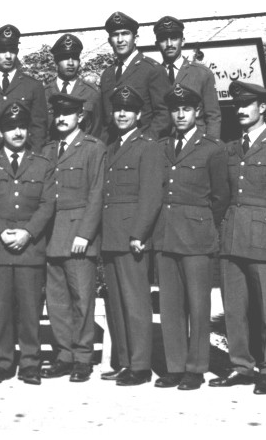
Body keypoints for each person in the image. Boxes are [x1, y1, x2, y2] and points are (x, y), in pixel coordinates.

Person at [209, 80, 266, 394]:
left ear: (263, 107)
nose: (241, 110)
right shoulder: (231, 148)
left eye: (247, 104)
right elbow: (222, 195)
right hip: (232, 237)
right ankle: (241, 366)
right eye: (238, 105)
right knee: (235, 308)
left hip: (264, 238)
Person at [0, 102, 56, 385]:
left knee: (31, 310)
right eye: (11, 128)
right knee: (1, 310)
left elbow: (47, 204)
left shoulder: (42, 164)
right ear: (0, 131)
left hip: (30, 248)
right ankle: (2, 362)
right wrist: (0, 232)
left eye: (22, 127)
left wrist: (28, 233)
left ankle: (30, 363)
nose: (17, 133)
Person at [152, 84, 229, 391]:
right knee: (170, 306)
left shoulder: (212, 148)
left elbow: (221, 196)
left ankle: (195, 367)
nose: (180, 114)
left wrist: (202, 223)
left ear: (197, 112)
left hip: (197, 236)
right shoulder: (161, 146)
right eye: (175, 109)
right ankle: (174, 366)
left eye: (186, 109)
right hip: (166, 234)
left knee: (198, 305)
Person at [100, 85, 163, 386]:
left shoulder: (147, 146)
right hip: (110, 235)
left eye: (128, 110)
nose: (122, 114)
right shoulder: (111, 146)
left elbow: (151, 195)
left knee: (136, 303)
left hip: (131, 238)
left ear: (139, 115)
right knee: (117, 304)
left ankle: (140, 366)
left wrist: (139, 233)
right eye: (117, 109)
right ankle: (124, 361)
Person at [40, 94, 106, 383]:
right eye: (58, 114)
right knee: (56, 301)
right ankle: (64, 354)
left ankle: (82, 358)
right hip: (51, 234)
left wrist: (85, 234)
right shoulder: (48, 150)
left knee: (82, 300)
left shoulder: (93, 148)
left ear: (80, 116)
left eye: (69, 113)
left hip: (78, 234)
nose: (62, 118)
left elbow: (97, 193)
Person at [0, 24, 48, 153]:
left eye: (12, 50)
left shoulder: (33, 86)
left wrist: (34, 160)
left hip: (24, 159)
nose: (8, 56)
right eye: (2, 50)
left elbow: (39, 128)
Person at [100, 11, 171, 142]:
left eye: (125, 34)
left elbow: (164, 114)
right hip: (111, 150)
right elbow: (106, 119)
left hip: (142, 148)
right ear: (109, 41)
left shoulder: (152, 69)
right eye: (115, 35)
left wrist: (144, 143)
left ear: (136, 38)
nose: (120, 40)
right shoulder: (107, 74)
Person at [153, 16, 221, 139]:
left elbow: (213, 116)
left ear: (183, 41)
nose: (169, 44)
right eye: (163, 40)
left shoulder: (202, 74)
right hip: (162, 145)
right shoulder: (152, 75)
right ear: (157, 44)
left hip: (196, 144)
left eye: (174, 38)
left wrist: (210, 147)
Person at [45, 34, 104, 139]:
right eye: (65, 58)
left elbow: (97, 131)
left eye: (75, 58)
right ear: (56, 62)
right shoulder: (44, 93)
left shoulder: (92, 93)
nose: (71, 63)